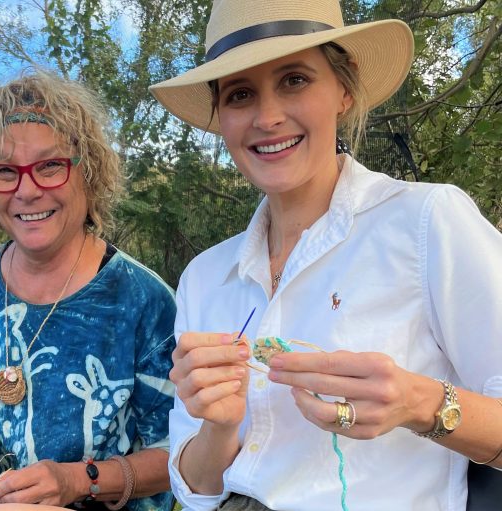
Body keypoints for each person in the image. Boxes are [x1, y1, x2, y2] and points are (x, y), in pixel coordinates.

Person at [149, 0, 502, 509]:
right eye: (241, 94)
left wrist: (417, 402)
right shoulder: (205, 277)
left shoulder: (426, 223)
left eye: (294, 80)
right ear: (221, 118)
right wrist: (218, 426)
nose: (268, 117)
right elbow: (198, 488)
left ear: (343, 88)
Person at [0, 71, 176, 511]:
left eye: (50, 166)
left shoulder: (143, 302)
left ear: (90, 172)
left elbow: (179, 456)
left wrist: (77, 480)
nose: (27, 191)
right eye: (5, 171)